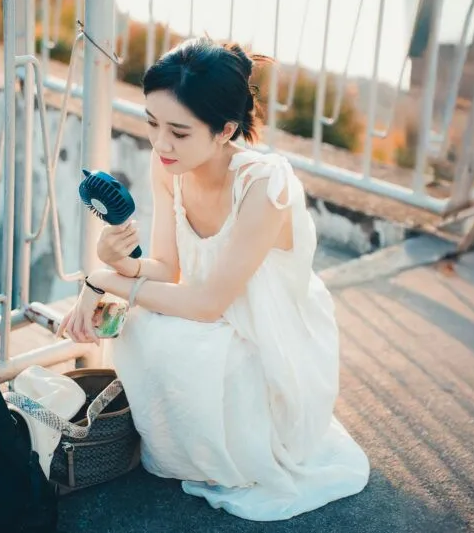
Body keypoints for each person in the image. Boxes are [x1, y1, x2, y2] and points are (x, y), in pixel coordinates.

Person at [57, 38, 370, 521]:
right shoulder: (171, 168)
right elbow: (166, 268)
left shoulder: (265, 184)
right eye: (152, 123)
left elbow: (207, 303)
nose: (160, 144)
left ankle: (233, 451)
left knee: (181, 342)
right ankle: (195, 451)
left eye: (179, 132)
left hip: (271, 336)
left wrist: (104, 281)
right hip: (213, 309)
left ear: (225, 130)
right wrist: (116, 260)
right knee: (145, 329)